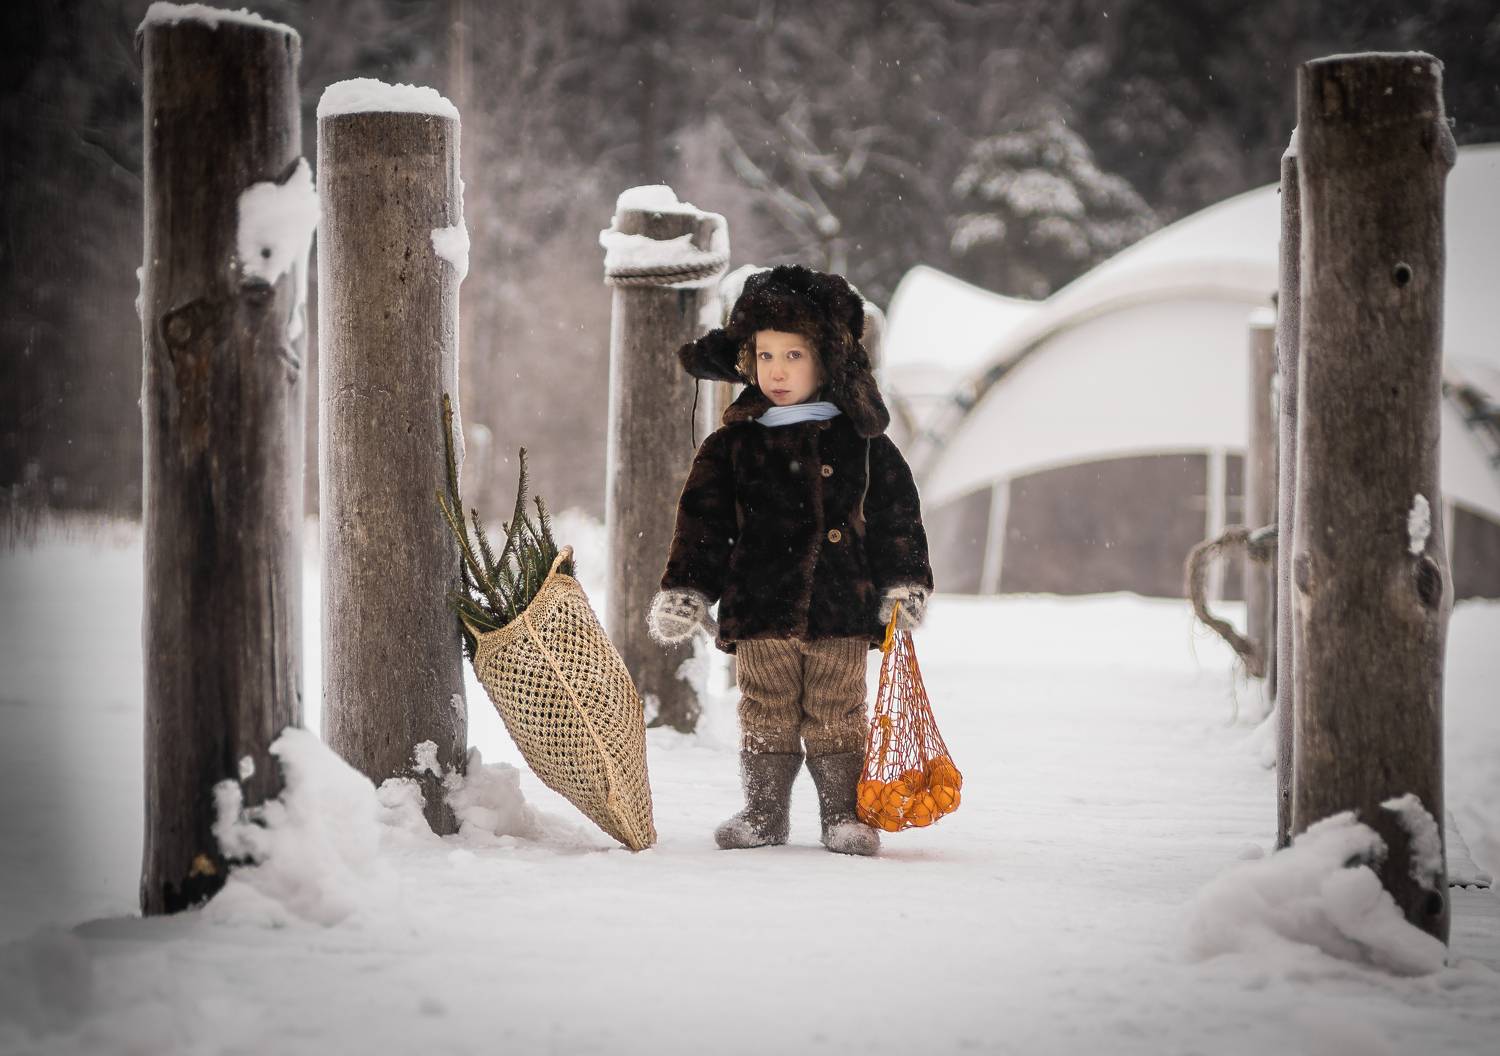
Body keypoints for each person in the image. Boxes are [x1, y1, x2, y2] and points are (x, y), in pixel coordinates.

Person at [647, 264, 933, 856]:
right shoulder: (732, 446)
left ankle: (842, 815)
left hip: (840, 607)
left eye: (793, 356)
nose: (776, 371)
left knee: (837, 711)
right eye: (765, 355)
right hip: (760, 607)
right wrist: (687, 588)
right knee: (765, 709)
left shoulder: (864, 445)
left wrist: (905, 581)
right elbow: (703, 524)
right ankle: (764, 812)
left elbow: (897, 518)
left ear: (827, 360)